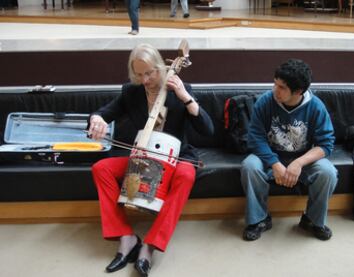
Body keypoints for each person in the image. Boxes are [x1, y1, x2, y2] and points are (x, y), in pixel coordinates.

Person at [88, 43, 214, 276]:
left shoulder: (180, 87)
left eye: (150, 73)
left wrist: (186, 98)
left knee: (187, 174)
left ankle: (150, 246)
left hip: (176, 157)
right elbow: (104, 113)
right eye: (139, 74)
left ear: (159, 66)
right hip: (143, 157)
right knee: (101, 168)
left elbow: (207, 129)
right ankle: (126, 237)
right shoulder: (131, 91)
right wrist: (97, 119)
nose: (145, 79)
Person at [241, 59, 338, 242]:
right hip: (269, 158)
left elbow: (326, 145)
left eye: (282, 87)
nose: (275, 90)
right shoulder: (265, 101)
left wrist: (299, 162)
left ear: (299, 91)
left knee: (328, 172)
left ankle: (312, 220)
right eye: (275, 84)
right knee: (249, 165)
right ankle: (259, 220)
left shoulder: (316, 106)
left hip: (302, 160)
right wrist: (275, 163)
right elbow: (255, 138)